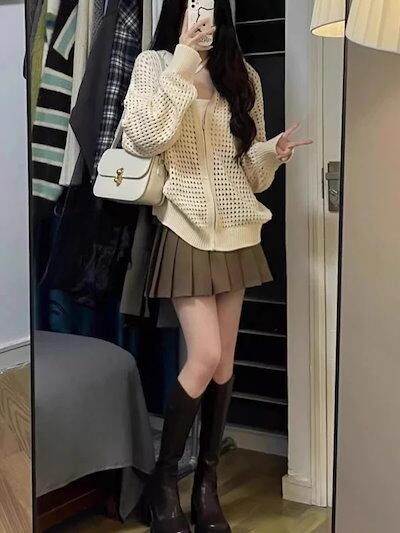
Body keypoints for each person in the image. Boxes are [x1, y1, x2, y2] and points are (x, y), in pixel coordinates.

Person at [122, 1, 312, 532]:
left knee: (225, 363)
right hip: (183, 225)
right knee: (204, 354)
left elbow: (249, 174)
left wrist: (272, 152)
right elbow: (143, 137)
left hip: (237, 230)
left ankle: (206, 484)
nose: (202, 14)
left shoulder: (242, 75)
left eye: (210, 5)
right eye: (193, 4)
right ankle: (163, 484)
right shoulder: (155, 65)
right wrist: (183, 61)